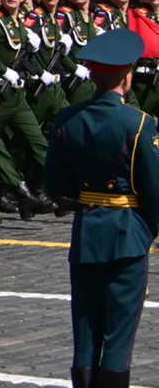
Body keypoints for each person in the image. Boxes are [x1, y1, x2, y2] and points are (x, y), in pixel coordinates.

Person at [45, 28, 159, 388]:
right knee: (119, 336)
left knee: (85, 330)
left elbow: (55, 185)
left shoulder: (67, 119)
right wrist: (149, 230)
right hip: (127, 233)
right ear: (127, 76)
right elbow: (154, 189)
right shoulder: (139, 123)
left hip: (86, 231)